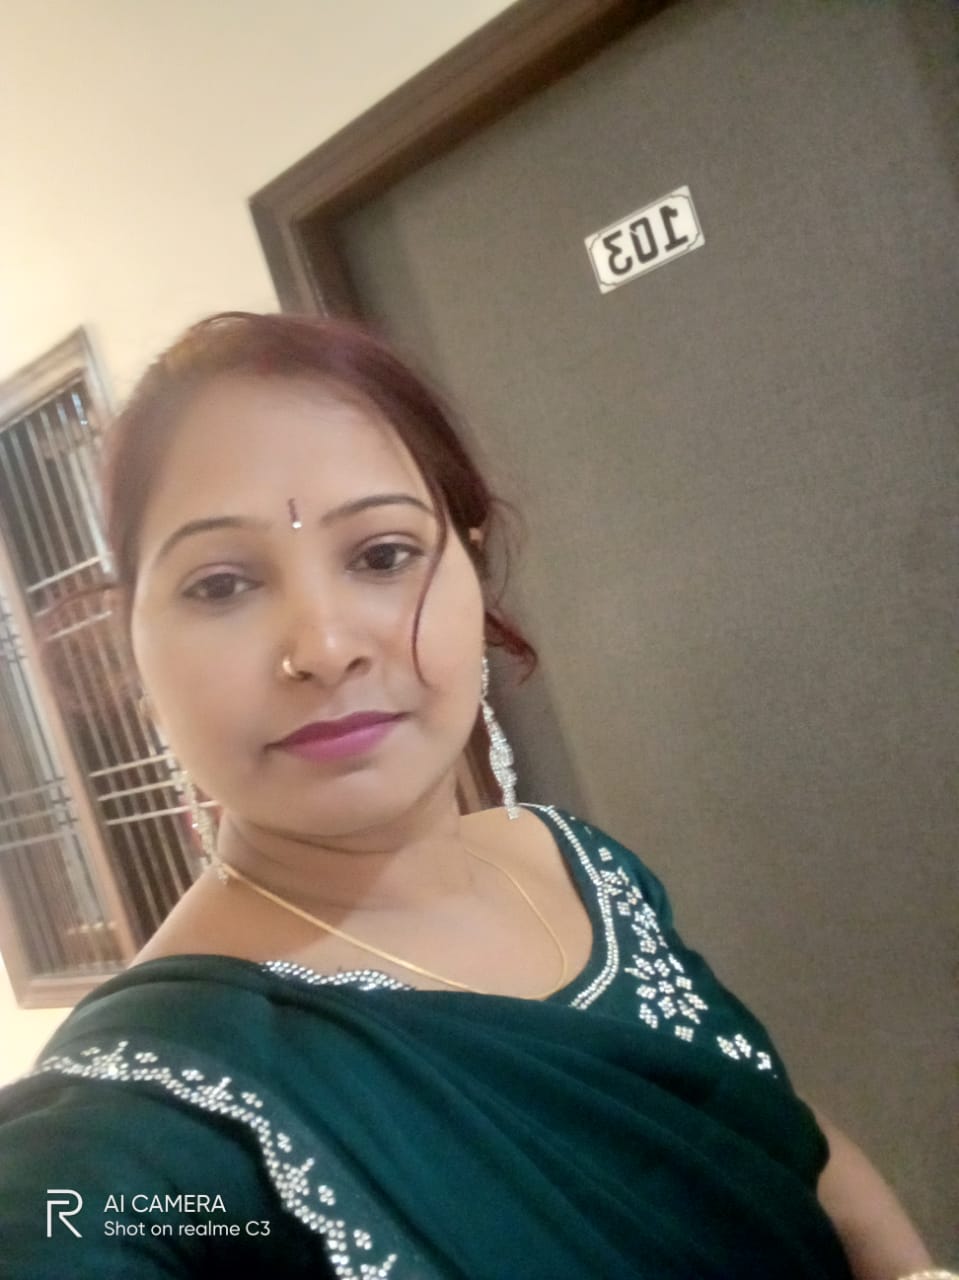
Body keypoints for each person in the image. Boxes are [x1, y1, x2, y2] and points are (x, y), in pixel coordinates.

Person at [0, 312, 946, 1279]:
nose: (324, 648)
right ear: (130, 646)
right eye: (220, 585)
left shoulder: (580, 867)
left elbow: (783, 1133)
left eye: (382, 556)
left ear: (471, 568)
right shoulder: (142, 1109)